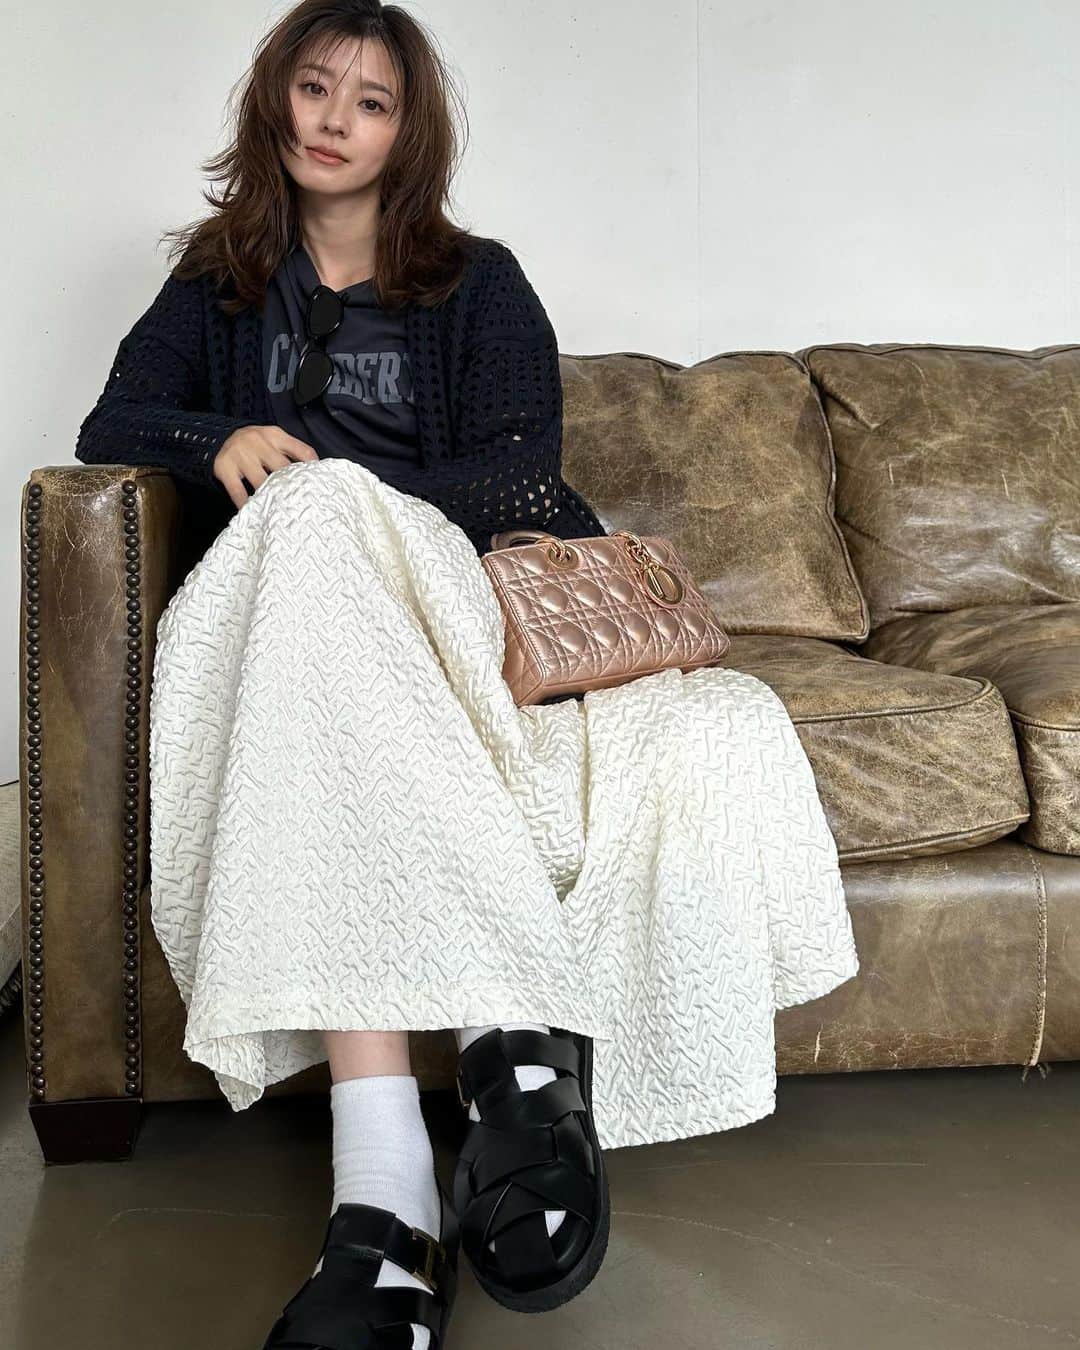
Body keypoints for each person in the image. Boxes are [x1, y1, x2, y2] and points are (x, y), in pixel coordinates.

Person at [74, 2, 612, 1346]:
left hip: (434, 594)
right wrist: (218, 438)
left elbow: (520, 478)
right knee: (307, 562)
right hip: (283, 618)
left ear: (406, 134)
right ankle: (512, 1056)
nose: (333, 121)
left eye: (370, 103)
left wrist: (353, 508)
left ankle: (386, 1204)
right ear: (276, 101)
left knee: (328, 524)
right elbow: (111, 421)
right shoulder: (218, 280)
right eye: (315, 89)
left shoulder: (478, 281)